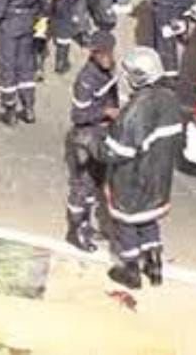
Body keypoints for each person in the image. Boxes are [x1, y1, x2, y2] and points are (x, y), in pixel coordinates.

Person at [100, 46, 184, 289]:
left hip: (132, 181)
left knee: (127, 226)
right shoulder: (169, 98)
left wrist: (93, 142)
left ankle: (131, 272)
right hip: (160, 179)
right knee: (149, 222)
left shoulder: (136, 110)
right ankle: (155, 265)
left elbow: (115, 152)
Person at [63, 30, 119, 252]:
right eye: (101, 54)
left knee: (95, 185)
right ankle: (76, 232)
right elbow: (78, 116)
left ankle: (86, 226)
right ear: (93, 54)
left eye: (109, 53)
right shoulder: (86, 80)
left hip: (102, 137)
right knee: (82, 188)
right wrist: (106, 111)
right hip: (86, 140)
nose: (106, 58)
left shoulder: (108, 70)